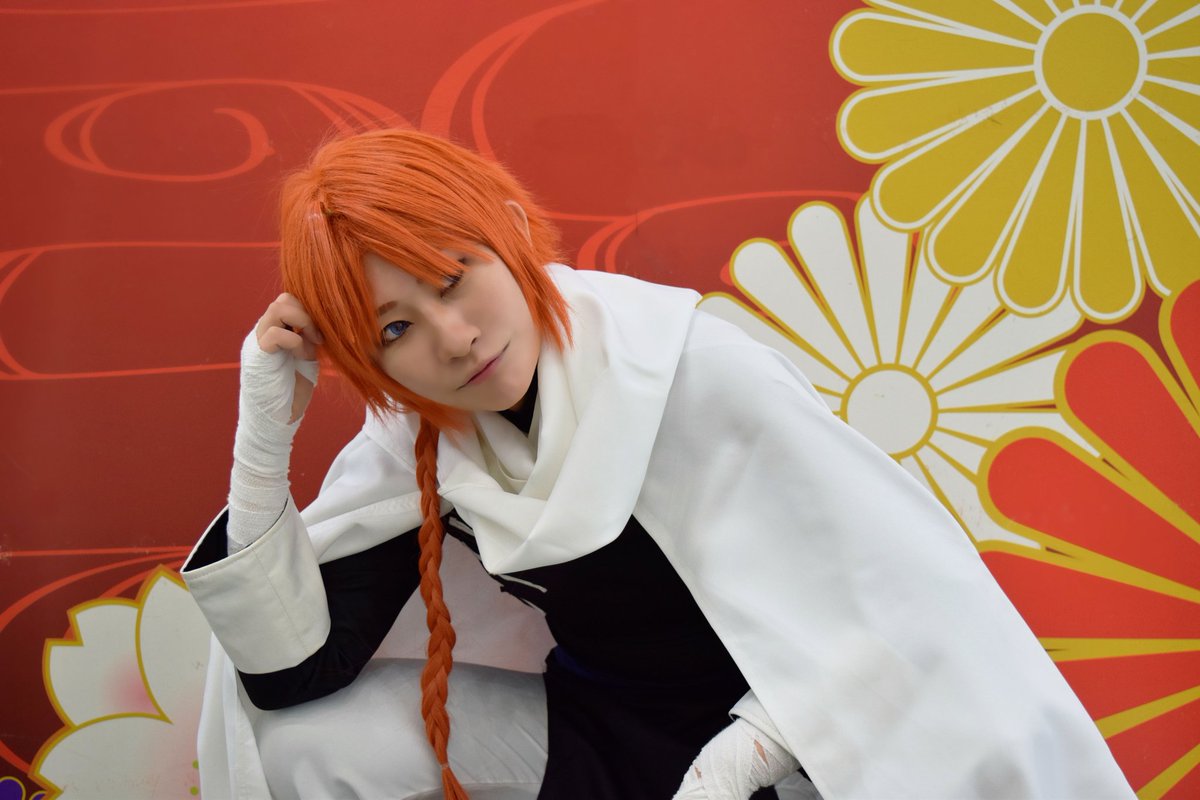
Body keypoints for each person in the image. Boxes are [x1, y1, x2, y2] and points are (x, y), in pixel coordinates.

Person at [182, 129, 1134, 800]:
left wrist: (739, 763)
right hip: (605, 734)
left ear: (509, 231)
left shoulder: (687, 373)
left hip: (796, 748)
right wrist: (264, 428)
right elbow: (292, 671)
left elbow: (895, 616)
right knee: (309, 744)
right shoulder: (425, 437)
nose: (455, 336)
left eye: (454, 276)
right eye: (395, 329)